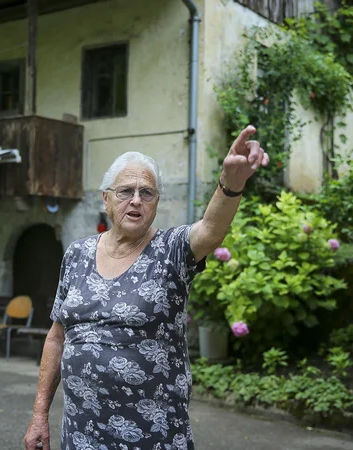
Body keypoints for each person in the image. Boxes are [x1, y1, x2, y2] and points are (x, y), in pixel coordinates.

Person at [23, 126, 268, 450]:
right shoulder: (77, 254)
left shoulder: (171, 249)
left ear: (156, 202)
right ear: (106, 199)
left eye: (147, 192)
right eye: (126, 191)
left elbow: (210, 230)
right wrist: (39, 414)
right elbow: (57, 337)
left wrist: (231, 184)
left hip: (152, 436)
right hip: (81, 437)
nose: (136, 200)